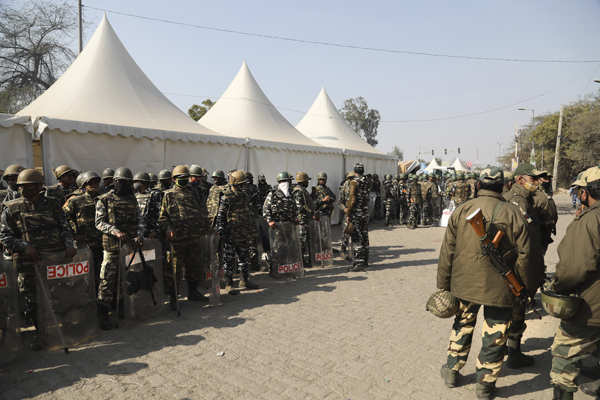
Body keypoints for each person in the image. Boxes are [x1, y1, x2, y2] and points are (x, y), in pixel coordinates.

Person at [437, 168, 532, 399]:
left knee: (462, 326)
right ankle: (485, 384)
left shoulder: (461, 210)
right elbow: (526, 255)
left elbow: (447, 251)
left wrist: (443, 284)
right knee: (496, 333)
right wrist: (523, 287)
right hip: (501, 287)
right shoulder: (513, 213)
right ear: (503, 187)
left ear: (478, 186)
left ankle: (451, 370)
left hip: (464, 284)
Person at [0, 169, 76, 349]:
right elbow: (4, 236)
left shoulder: (53, 204)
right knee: (31, 297)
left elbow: (64, 227)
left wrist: (69, 245)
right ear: (19, 187)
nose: (29, 190)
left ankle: (61, 328)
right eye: (25, 187)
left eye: (34, 186)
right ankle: (39, 333)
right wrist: (25, 247)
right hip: (28, 261)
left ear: (40, 186)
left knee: (58, 293)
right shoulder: (11, 207)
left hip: (54, 258)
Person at [549, 166, 600, 400]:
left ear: (585, 193)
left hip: (592, 307)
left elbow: (575, 268)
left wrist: (558, 287)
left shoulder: (590, 220)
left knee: (563, 359)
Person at [502, 163, 546, 368]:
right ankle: (513, 353)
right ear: (520, 180)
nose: (536, 182)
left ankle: (507, 348)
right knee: (517, 310)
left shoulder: (524, 199)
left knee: (514, 310)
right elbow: (524, 242)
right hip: (517, 267)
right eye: (533, 179)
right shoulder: (518, 201)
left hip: (516, 265)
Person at [95, 167, 144, 330]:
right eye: (121, 182)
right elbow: (99, 222)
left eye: (127, 183)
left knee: (127, 277)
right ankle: (104, 314)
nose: (124, 185)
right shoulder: (104, 199)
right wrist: (114, 231)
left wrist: (139, 234)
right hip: (112, 247)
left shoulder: (132, 199)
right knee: (107, 280)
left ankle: (122, 308)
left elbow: (139, 220)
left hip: (129, 246)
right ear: (115, 182)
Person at [158, 165, 210, 307]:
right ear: (174, 179)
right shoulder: (168, 195)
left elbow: (203, 211)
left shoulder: (195, 192)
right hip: (178, 239)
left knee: (194, 266)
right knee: (175, 268)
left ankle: (193, 292)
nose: (183, 180)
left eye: (185, 178)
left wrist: (205, 227)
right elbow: (162, 218)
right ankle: (174, 297)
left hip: (193, 236)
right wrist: (168, 228)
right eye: (180, 178)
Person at [215, 170, 259, 291]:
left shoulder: (244, 195)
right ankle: (229, 283)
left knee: (244, 258)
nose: (244, 186)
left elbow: (248, 213)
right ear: (236, 184)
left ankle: (245, 280)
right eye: (242, 183)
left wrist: (251, 230)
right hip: (231, 234)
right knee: (229, 259)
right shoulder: (226, 197)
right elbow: (221, 215)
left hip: (243, 232)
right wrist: (222, 231)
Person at [63, 171, 104, 292]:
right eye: (90, 182)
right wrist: (75, 233)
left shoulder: (103, 199)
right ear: (83, 184)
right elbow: (64, 218)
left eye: (96, 182)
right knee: (84, 274)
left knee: (100, 272)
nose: (94, 185)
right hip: (83, 244)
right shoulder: (74, 200)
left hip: (100, 242)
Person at [263, 171, 297, 277]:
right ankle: (274, 270)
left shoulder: (290, 194)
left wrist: (295, 218)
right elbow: (265, 208)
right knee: (277, 248)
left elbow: (294, 208)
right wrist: (269, 220)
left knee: (288, 248)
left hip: (288, 225)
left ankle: (286, 268)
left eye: (287, 181)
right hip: (277, 226)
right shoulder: (272, 193)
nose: (286, 183)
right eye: (284, 181)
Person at [344, 163, 369, 271]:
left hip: (356, 214)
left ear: (354, 171)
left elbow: (352, 199)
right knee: (364, 237)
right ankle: (365, 260)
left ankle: (358, 263)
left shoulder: (354, 182)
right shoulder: (367, 182)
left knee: (356, 237)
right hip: (365, 213)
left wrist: (348, 211)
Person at [293, 172, 316, 268]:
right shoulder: (298, 191)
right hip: (301, 220)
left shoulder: (303, 190)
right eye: (307, 181)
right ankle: (301, 262)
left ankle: (306, 260)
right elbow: (300, 206)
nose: (308, 182)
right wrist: (311, 212)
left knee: (306, 240)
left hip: (305, 219)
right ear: (303, 181)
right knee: (302, 241)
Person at [240, 172, 261, 272]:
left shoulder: (241, 188)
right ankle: (254, 264)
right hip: (251, 218)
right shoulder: (253, 188)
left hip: (245, 218)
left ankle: (248, 265)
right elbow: (258, 203)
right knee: (252, 242)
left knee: (244, 242)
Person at [133, 172, 161, 238]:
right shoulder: (134, 196)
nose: (134, 184)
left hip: (150, 234)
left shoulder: (154, 195)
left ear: (144, 182)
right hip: (137, 234)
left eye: (136, 181)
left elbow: (160, 214)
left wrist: (156, 230)